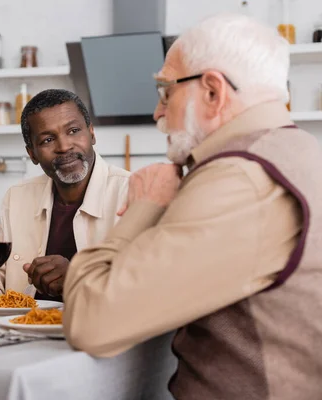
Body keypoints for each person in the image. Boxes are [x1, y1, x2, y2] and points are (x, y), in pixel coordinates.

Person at [64, 13, 322, 399]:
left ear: (213, 93)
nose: (157, 112)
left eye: (166, 91)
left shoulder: (239, 179)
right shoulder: (302, 151)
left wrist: (145, 205)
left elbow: (90, 321)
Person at [0, 89, 130, 301]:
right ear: (32, 154)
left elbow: (146, 287)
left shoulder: (132, 194)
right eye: (48, 140)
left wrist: (75, 277)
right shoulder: (17, 197)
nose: (64, 146)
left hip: (99, 331)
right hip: (22, 329)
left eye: (74, 130)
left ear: (92, 133)